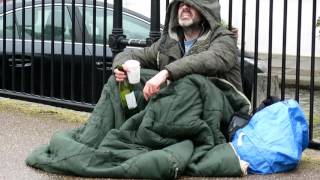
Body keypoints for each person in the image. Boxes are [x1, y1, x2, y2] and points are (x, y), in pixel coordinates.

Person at [113, 0, 242, 101]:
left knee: (188, 85)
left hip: (218, 111)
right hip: (176, 109)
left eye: (191, 4)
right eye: (180, 4)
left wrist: (166, 73)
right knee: (115, 83)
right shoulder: (168, 43)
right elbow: (131, 54)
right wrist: (121, 67)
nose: (184, 7)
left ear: (205, 13)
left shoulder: (224, 38)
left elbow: (211, 59)